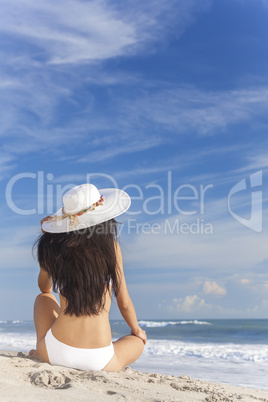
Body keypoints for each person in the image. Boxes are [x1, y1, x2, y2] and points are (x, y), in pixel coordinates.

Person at [30, 183, 146, 372]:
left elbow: (45, 288)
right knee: (137, 342)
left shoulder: (53, 248)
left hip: (54, 353)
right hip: (100, 360)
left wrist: (50, 245)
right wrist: (137, 330)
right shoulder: (111, 249)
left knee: (42, 299)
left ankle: (40, 351)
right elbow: (124, 302)